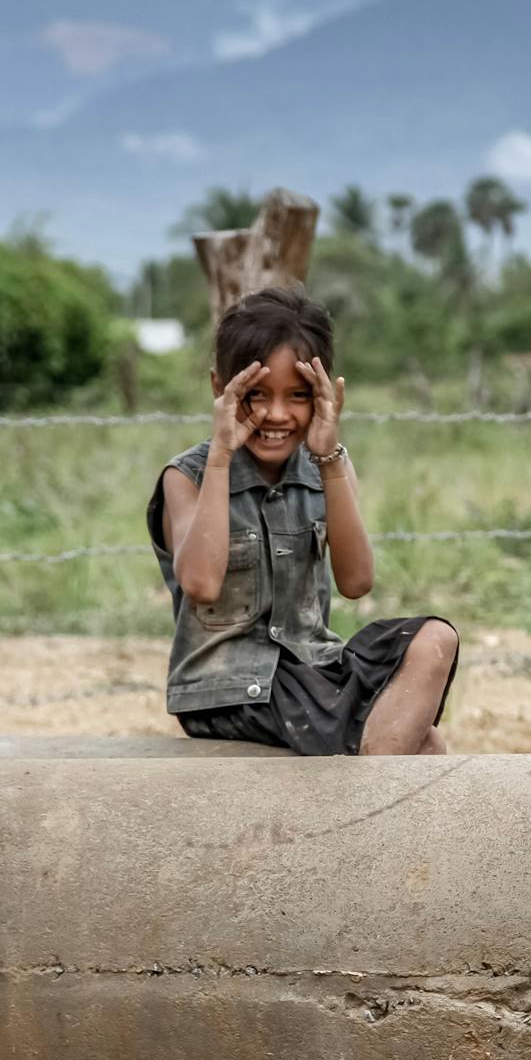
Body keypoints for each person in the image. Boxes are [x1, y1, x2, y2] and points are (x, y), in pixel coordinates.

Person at [145, 288, 458, 756]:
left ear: (323, 393)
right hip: (232, 688)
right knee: (421, 744)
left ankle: (368, 808)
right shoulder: (187, 476)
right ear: (220, 388)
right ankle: (371, 817)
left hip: (312, 673)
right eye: (255, 395)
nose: (277, 414)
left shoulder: (328, 466)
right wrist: (222, 456)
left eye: (298, 395)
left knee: (436, 640)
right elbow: (202, 584)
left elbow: (356, 581)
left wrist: (329, 459)